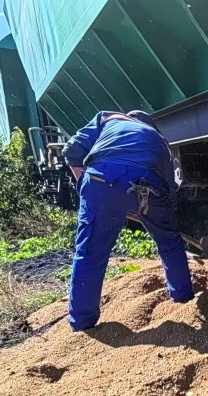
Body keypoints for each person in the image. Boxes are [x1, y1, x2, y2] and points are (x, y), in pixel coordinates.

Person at [62, 110, 193, 332]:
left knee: (89, 254)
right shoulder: (158, 139)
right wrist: (158, 218)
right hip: (150, 182)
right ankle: (183, 299)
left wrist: (88, 188)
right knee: (170, 244)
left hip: (100, 177)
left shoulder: (106, 118)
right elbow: (170, 189)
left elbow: (71, 151)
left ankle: (82, 324)